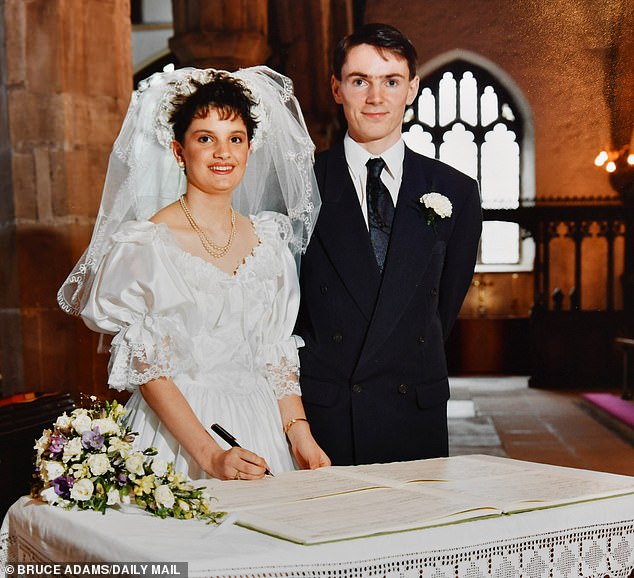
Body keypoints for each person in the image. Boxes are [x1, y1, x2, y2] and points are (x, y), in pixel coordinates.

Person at [58, 66, 330, 480]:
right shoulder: (146, 245)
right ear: (179, 151)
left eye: (235, 139)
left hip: (261, 427)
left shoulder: (269, 242)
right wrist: (210, 456)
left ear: (249, 148)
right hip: (179, 437)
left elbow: (275, 355)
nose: (223, 153)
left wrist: (299, 436)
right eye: (206, 139)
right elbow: (151, 370)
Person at [295, 24, 482, 465]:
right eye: (360, 81)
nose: (375, 98)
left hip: (414, 408)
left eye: (391, 82)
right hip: (330, 413)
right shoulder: (301, 185)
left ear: (412, 88)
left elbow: (440, 307)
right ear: (337, 89)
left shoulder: (455, 190)